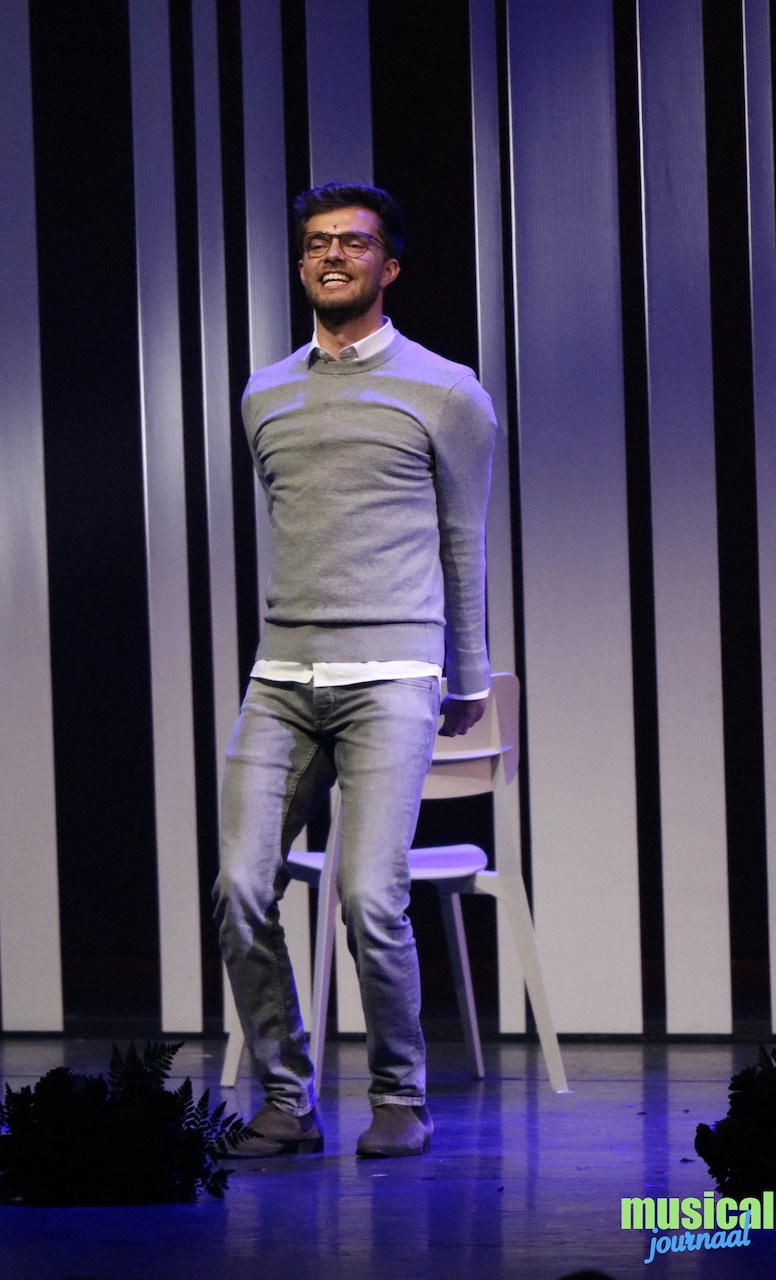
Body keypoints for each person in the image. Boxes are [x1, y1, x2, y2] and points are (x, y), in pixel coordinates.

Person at [213, 183, 497, 1159]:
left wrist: (466, 675)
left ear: (390, 265)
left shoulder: (446, 391)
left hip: (392, 677)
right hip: (282, 679)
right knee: (240, 888)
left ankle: (400, 1098)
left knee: (371, 896)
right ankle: (286, 1099)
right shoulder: (263, 393)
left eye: (353, 242)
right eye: (316, 243)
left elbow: (463, 542)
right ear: (302, 264)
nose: (331, 255)